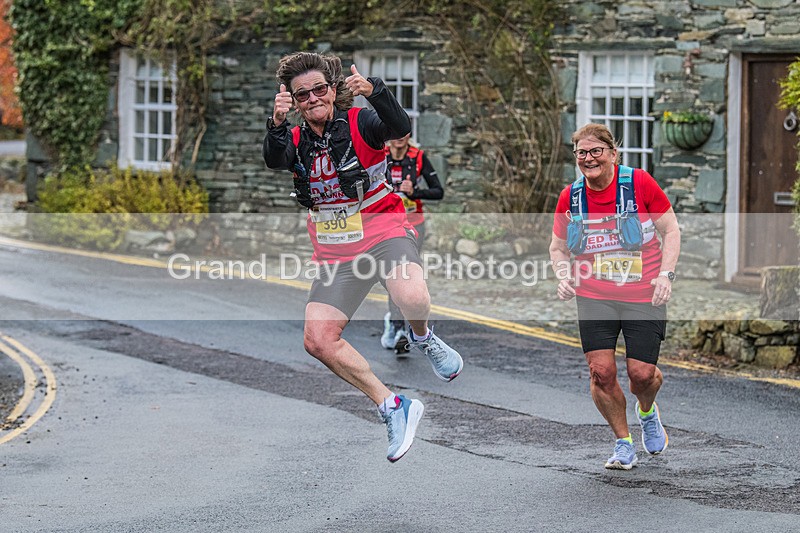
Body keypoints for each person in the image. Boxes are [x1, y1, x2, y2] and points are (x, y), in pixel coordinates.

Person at [262, 52, 463, 463]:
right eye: (303, 94)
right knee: (317, 340)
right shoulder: (296, 139)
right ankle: (393, 406)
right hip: (336, 250)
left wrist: (378, 94)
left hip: (384, 230)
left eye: (320, 89)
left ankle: (423, 336)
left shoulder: (360, 123)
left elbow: (398, 126)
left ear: (333, 90)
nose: (313, 98)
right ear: (297, 102)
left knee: (412, 298)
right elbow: (274, 159)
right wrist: (277, 124)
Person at [549, 123, 680, 470]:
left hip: (642, 294)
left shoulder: (640, 184)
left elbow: (671, 229)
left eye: (596, 151)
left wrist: (665, 275)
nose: (589, 158)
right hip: (594, 295)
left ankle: (648, 412)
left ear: (612, 154)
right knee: (601, 373)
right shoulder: (571, 197)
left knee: (642, 375)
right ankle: (623, 443)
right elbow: (558, 248)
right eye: (582, 153)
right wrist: (563, 277)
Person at [381, 134, 444, 355]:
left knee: (406, 276)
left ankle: (401, 326)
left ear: (408, 136)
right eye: (394, 133)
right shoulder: (379, 153)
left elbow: (438, 191)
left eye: (403, 134)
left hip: (413, 226)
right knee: (396, 276)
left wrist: (414, 192)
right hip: (386, 226)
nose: (399, 138)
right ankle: (398, 328)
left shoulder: (418, 157)